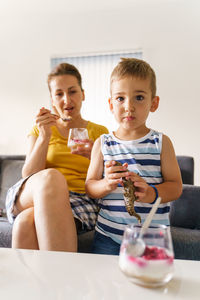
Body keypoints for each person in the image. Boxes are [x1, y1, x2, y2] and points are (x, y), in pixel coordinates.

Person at [6, 63, 108, 252]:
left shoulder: (99, 132)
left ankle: (36, 281)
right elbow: (29, 175)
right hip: (32, 193)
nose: (66, 99)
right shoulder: (41, 128)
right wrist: (45, 136)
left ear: (83, 94)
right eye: (59, 94)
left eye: (72, 92)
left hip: (78, 200)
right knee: (52, 177)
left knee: (24, 223)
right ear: (52, 100)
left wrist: (94, 156)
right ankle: (63, 279)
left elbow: (106, 180)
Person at [85, 57, 182, 255]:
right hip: (108, 237)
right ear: (111, 104)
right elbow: (90, 187)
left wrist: (151, 193)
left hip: (152, 237)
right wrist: (106, 183)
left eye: (139, 97)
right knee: (105, 284)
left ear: (153, 103)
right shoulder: (102, 143)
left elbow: (176, 187)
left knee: (149, 284)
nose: (129, 106)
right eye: (120, 98)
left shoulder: (162, 143)